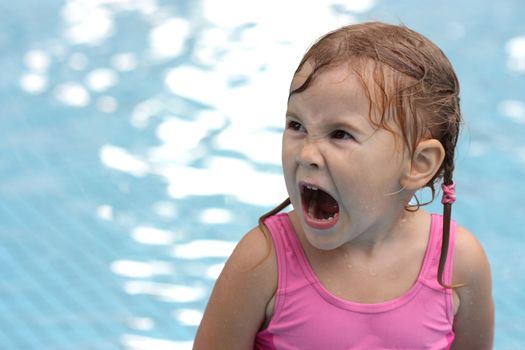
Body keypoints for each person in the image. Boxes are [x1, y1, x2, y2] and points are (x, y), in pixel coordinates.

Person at [194, 21, 494, 349]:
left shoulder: (458, 263)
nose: (308, 153)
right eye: (297, 125)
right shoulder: (264, 261)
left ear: (417, 164)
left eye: (340, 134)